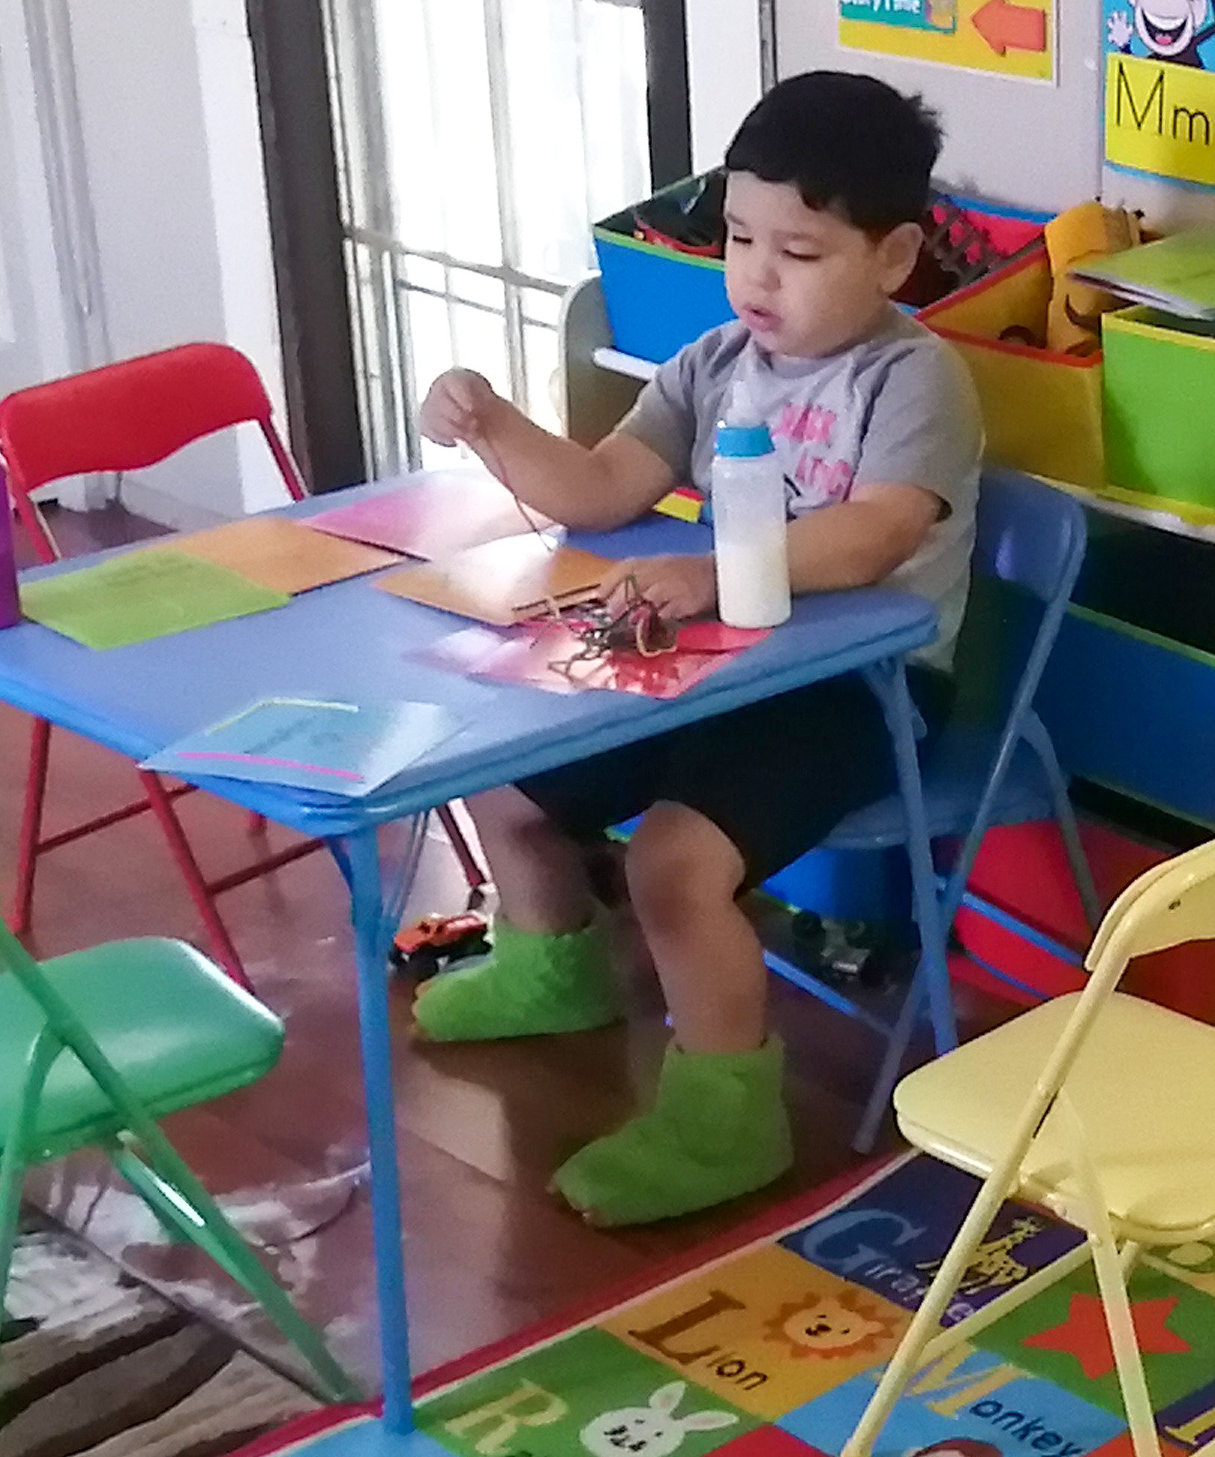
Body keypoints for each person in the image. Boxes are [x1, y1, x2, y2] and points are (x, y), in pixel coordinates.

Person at [407, 69, 983, 1226]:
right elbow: (602, 485)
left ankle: (725, 1121)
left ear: (893, 256)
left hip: (862, 693)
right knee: (508, 780)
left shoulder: (914, 377)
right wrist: (493, 423)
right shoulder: (717, 362)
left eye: (799, 252)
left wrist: (716, 572)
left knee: (674, 868)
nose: (757, 275)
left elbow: (876, 533)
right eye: (738, 239)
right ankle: (549, 969)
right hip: (718, 669)